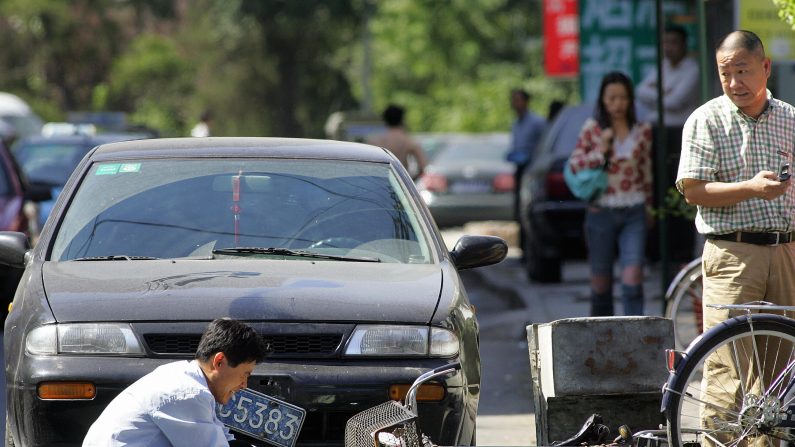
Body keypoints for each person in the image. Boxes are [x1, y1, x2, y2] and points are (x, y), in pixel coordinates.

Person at [676, 30, 795, 447]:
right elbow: (692, 189)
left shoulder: (790, 119)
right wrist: (750, 188)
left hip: (786, 251)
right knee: (727, 367)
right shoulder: (706, 119)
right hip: (732, 252)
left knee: (783, 373)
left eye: (742, 71)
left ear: (765, 68)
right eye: (725, 74)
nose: (734, 83)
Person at [83, 318, 271, 446]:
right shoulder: (187, 393)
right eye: (245, 374)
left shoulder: (185, 376)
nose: (244, 384)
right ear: (219, 362)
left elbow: (222, 437)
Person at [568, 72, 653, 316]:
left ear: (630, 100)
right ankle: (602, 337)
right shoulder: (592, 130)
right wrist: (601, 151)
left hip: (634, 209)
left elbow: (646, 171)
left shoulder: (642, 130)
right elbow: (575, 164)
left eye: (623, 98)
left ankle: (635, 334)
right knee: (600, 281)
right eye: (612, 98)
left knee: (633, 275)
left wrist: (649, 207)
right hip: (600, 210)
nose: (618, 104)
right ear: (603, 100)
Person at [636, 25, 701, 262]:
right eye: (665, 42)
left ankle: (680, 250)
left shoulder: (692, 69)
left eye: (673, 42)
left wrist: (659, 94)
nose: (669, 47)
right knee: (658, 189)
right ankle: (658, 251)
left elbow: (675, 102)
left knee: (680, 190)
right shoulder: (662, 67)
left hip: (679, 134)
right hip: (658, 133)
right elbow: (640, 90)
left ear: (683, 44)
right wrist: (665, 94)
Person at [506, 89, 546, 255]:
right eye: (513, 100)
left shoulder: (537, 122)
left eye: (518, 100)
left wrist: (531, 157)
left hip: (533, 170)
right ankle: (524, 251)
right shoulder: (516, 123)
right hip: (520, 169)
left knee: (530, 208)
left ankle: (533, 249)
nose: (516, 104)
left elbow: (544, 145)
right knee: (519, 210)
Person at [367, 104, 428, 179]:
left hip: (379, 182)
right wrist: (409, 180)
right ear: (402, 119)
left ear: (385, 120)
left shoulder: (374, 141)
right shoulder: (408, 141)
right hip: (399, 182)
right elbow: (423, 165)